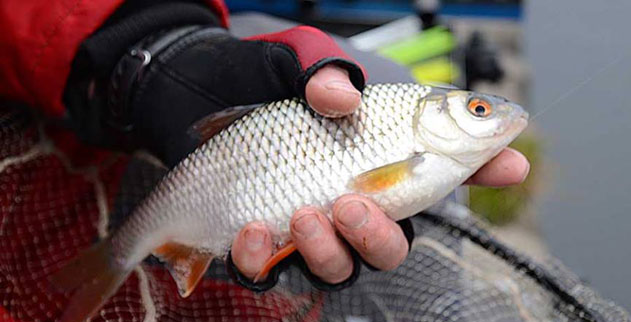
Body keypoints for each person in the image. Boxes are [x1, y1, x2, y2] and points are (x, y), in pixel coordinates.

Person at [0, 0, 530, 290]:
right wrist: (148, 56)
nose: (492, 112)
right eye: (478, 109)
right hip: (73, 64)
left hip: (88, 47)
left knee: (312, 245)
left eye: (477, 108)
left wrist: (154, 45)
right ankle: (112, 261)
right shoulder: (418, 147)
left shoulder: (428, 149)